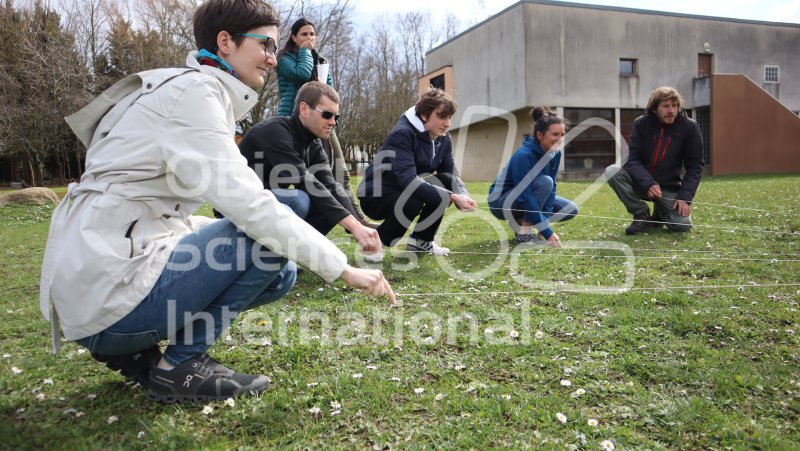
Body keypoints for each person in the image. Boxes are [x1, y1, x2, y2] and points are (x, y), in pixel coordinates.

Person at [39, 0, 394, 404]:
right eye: (266, 45)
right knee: (281, 218)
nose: (273, 60)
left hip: (105, 281)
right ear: (225, 42)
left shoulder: (192, 92)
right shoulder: (194, 96)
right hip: (108, 289)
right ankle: (179, 367)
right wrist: (343, 269)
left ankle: (133, 351)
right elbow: (253, 206)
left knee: (283, 274)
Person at [238, 81, 382, 259]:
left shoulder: (314, 143)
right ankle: (262, 257)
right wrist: (353, 226)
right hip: (239, 204)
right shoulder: (274, 131)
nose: (333, 122)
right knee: (299, 200)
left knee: (328, 203)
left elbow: (330, 186)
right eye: (327, 114)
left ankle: (284, 259)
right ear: (304, 109)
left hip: (267, 202)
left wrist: (359, 225)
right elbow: (305, 181)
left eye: (336, 117)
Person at [276, 18, 376, 227]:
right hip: (295, 122)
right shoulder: (284, 59)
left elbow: (329, 92)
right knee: (306, 176)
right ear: (294, 37)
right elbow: (301, 74)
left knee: (340, 171)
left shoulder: (321, 60)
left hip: (321, 120)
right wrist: (304, 52)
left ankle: (358, 220)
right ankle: (303, 226)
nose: (310, 38)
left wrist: (322, 84)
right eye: (304, 34)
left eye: (312, 34)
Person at [358, 88, 477, 261]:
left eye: (450, 117)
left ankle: (422, 240)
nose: (448, 123)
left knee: (443, 182)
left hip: (403, 188)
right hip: (376, 195)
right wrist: (452, 197)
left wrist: (462, 195)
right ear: (424, 115)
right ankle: (377, 243)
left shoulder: (444, 137)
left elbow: (449, 172)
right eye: (442, 117)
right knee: (414, 197)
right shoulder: (402, 134)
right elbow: (408, 181)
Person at [605, 87, 704, 235]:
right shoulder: (641, 124)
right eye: (665, 106)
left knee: (682, 226)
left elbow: (695, 166)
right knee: (612, 171)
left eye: (675, 105)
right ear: (654, 109)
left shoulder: (689, 127)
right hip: (641, 182)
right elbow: (632, 159)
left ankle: (659, 215)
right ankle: (642, 214)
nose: (671, 110)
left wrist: (685, 197)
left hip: (668, 187)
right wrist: (648, 183)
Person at [487, 108, 578, 248]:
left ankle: (522, 223)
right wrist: (547, 232)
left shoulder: (555, 154)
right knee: (544, 182)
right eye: (555, 134)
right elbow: (525, 195)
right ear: (540, 135)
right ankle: (524, 234)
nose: (559, 139)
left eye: (562, 134)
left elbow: (552, 188)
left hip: (526, 196)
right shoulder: (524, 155)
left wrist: (544, 223)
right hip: (500, 202)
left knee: (570, 209)